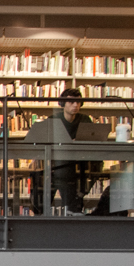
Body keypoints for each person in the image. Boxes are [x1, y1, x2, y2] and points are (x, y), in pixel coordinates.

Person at [42, 87, 94, 215]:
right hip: (58, 165)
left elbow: (92, 141)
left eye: (78, 102)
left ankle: (72, 208)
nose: (75, 105)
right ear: (62, 103)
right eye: (71, 102)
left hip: (79, 163)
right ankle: (69, 209)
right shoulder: (53, 120)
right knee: (63, 174)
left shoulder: (85, 120)